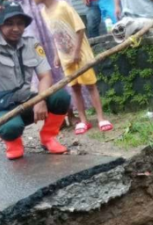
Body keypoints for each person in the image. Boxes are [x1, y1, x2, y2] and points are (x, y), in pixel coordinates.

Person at [0, 0, 71, 160]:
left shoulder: (31, 44)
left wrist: (40, 101)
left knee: (60, 97)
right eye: (9, 23)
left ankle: (48, 137)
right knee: (12, 127)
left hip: (24, 102)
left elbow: (45, 76)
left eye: (20, 23)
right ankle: (13, 143)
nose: (16, 28)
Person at [36, 0, 113, 135]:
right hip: (65, 56)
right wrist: (56, 55)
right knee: (74, 88)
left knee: (90, 85)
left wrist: (77, 52)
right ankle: (83, 120)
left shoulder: (63, 6)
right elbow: (54, 35)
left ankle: (101, 118)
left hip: (81, 54)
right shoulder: (43, 12)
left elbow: (80, 28)